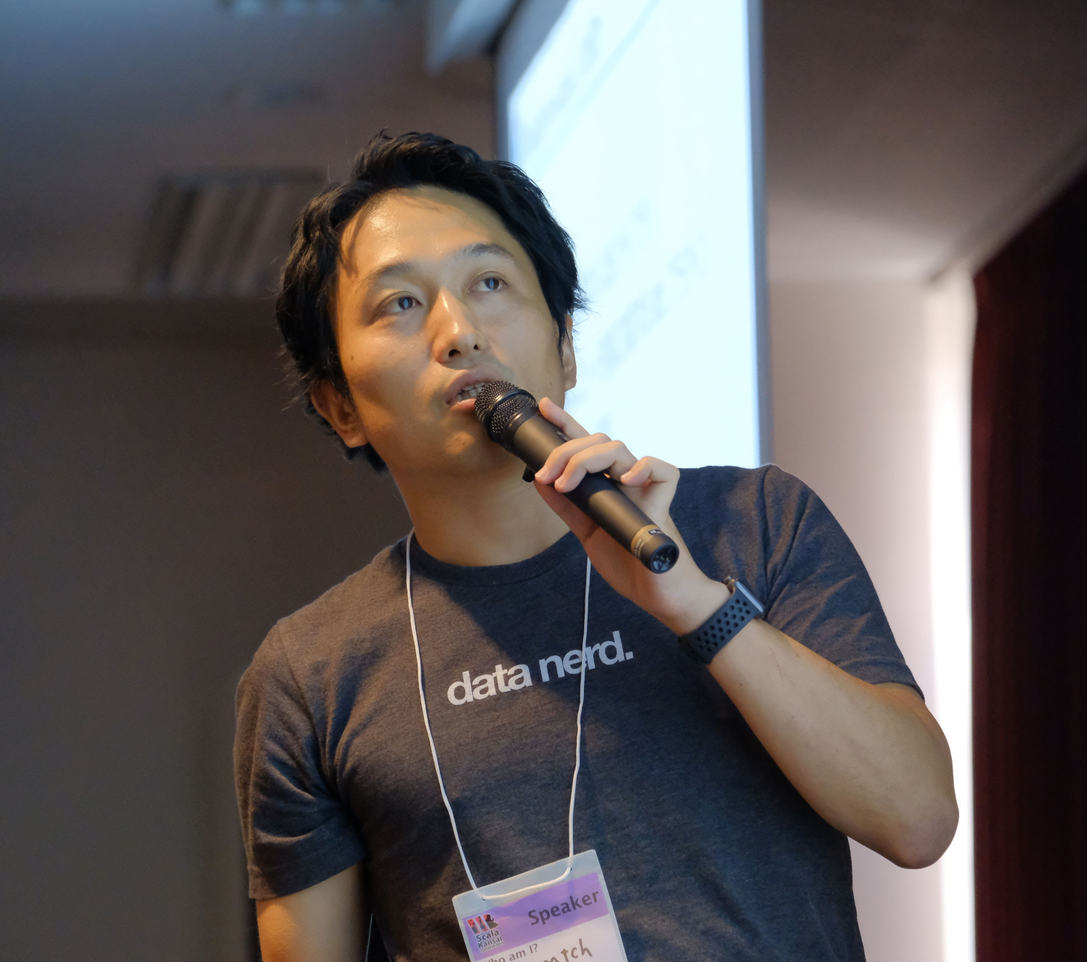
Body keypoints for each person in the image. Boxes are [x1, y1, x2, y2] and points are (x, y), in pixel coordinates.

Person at [234, 131, 957, 962]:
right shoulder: (311, 673)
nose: (459, 332)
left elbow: (917, 819)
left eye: (490, 283)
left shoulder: (752, 520)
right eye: (400, 303)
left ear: (566, 347)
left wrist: (696, 604)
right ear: (340, 406)